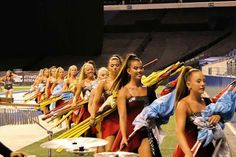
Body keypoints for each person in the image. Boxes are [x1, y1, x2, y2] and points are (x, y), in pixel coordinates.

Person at [110, 54, 160, 156]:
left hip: (145, 132)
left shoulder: (148, 90)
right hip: (129, 133)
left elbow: (156, 112)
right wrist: (123, 136)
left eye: (141, 68)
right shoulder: (123, 92)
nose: (139, 71)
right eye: (135, 68)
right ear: (129, 71)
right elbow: (123, 117)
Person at [173, 66, 221, 157]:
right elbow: (179, 131)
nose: (202, 84)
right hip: (190, 151)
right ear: (188, 84)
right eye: (198, 81)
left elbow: (217, 124)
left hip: (208, 151)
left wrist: (218, 117)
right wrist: (187, 152)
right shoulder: (183, 104)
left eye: (204, 81)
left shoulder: (208, 102)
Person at [90, 55, 122, 151]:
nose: (115, 67)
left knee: (123, 150)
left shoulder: (125, 81)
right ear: (108, 67)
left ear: (121, 66)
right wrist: (92, 117)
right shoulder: (103, 83)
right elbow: (95, 102)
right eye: (112, 65)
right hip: (109, 118)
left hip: (123, 116)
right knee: (109, 150)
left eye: (117, 65)